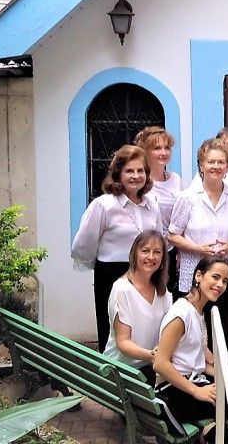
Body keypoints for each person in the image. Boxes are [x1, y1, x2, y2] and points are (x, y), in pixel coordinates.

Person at [154, 257, 228, 442]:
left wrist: (223, 375)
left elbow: (195, 361)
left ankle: (214, 439)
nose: (220, 285)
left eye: (225, 281)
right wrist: (196, 391)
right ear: (199, 276)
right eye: (215, 277)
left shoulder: (198, 309)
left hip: (193, 381)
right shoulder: (180, 314)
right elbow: (160, 363)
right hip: (175, 393)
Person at [72, 145, 165, 352]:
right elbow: (83, 244)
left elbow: (158, 240)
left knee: (144, 329)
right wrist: (101, 266)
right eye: (129, 171)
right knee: (113, 333)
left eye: (140, 171)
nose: (136, 176)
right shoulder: (104, 205)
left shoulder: (152, 204)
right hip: (112, 274)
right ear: (118, 174)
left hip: (146, 273)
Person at [168, 139, 228, 360]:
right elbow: (172, 235)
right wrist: (196, 248)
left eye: (221, 162)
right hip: (196, 274)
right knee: (194, 332)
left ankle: (216, 374)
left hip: (225, 277)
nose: (216, 166)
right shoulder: (187, 197)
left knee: (220, 331)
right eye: (211, 161)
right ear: (201, 165)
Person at [103, 230, 172, 382]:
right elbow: (123, 343)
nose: (151, 257)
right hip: (122, 371)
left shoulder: (163, 292)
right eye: (145, 251)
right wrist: (152, 355)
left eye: (157, 252)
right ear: (135, 254)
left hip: (151, 367)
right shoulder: (122, 289)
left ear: (163, 259)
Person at [135, 126, 183, 294]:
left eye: (167, 148)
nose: (163, 152)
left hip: (170, 250)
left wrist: (180, 251)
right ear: (145, 151)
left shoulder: (176, 179)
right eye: (157, 148)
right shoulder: (140, 181)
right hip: (147, 251)